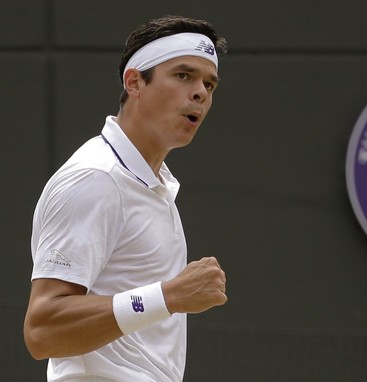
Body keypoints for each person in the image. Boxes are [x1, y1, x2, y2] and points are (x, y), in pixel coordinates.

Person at [23, 15, 228, 381]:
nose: (201, 92)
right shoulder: (97, 178)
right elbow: (43, 330)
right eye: (183, 75)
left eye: (209, 84)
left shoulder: (153, 184)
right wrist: (167, 297)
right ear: (134, 82)